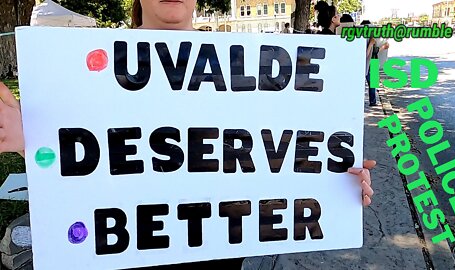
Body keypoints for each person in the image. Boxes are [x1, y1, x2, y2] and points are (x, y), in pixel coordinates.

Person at [0, 0, 375, 268]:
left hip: (216, 249)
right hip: (121, 253)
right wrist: (25, 141)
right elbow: (73, 158)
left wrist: (336, 178)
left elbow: (280, 149)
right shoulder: (85, 68)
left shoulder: (250, 67)